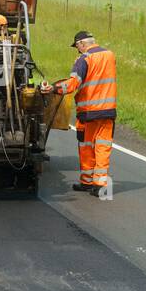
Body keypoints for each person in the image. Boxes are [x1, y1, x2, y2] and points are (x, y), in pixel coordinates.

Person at [42, 30, 117, 196]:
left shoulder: (84, 59)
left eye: (77, 47)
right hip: (108, 111)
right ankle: (99, 185)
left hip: (89, 113)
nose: (78, 50)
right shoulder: (110, 55)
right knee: (102, 147)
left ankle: (86, 181)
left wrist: (53, 89)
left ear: (82, 44)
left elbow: (73, 84)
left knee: (86, 146)